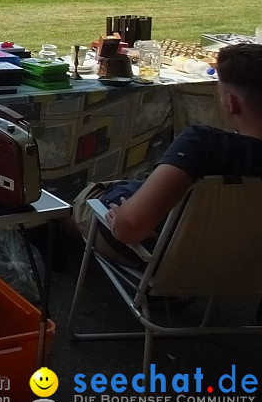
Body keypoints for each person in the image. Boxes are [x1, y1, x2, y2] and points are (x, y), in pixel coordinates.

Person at [92, 44, 262, 250]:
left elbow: (131, 226)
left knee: (83, 207)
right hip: (245, 262)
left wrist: (121, 221)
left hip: (175, 257)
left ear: (232, 103)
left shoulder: (203, 145)